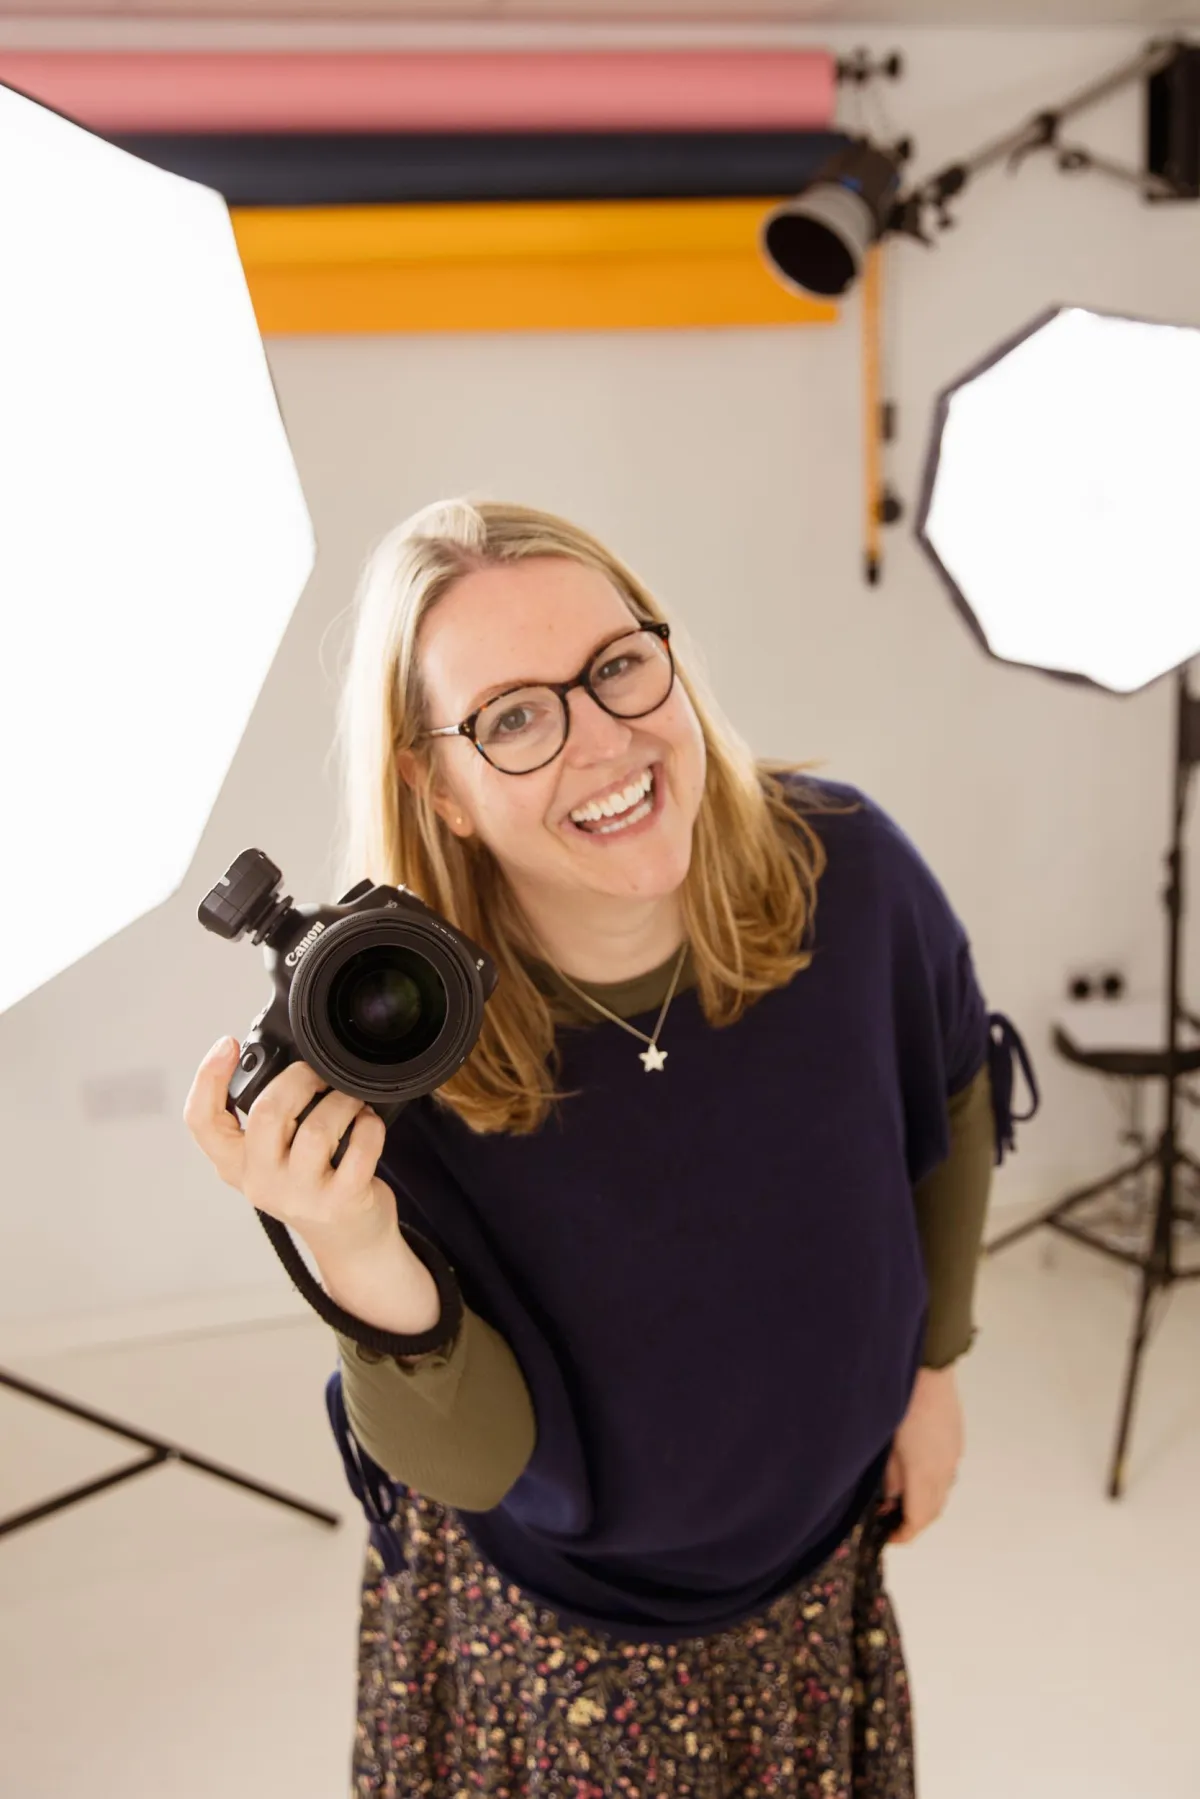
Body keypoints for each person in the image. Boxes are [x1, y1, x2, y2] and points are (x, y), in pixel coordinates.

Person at [184, 498, 1037, 1798]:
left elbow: (952, 1095)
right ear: (439, 788)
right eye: (514, 717)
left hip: (819, 1573)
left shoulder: (850, 870)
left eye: (619, 665)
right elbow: (475, 1461)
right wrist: (346, 1239)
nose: (602, 737)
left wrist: (934, 1369)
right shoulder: (390, 1046)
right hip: (555, 1642)